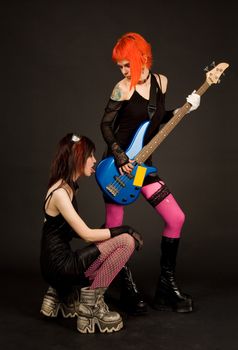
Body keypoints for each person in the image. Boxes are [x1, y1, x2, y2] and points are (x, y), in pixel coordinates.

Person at [99, 32, 201, 313]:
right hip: (116, 170)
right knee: (115, 231)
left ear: (141, 58)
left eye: (126, 64)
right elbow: (106, 126)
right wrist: (120, 157)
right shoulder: (122, 88)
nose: (123, 71)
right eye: (119, 66)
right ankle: (121, 287)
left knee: (175, 217)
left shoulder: (160, 82)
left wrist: (184, 109)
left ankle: (166, 287)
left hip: (143, 168)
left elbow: (158, 118)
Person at [39, 132, 143, 333]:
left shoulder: (66, 186)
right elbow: (86, 234)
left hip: (56, 264)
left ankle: (60, 294)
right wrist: (124, 229)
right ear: (77, 157)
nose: (95, 160)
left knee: (114, 240)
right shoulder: (60, 193)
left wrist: (107, 233)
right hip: (61, 267)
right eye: (90, 156)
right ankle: (91, 304)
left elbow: (67, 230)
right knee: (127, 242)